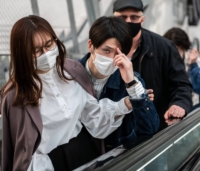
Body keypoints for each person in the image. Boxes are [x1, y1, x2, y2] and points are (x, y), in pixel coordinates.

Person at [1, 15, 142, 171]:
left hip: (86, 152)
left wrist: (125, 104)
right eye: (37, 50)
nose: (46, 53)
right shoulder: (15, 96)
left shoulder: (71, 69)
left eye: (49, 44)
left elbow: (93, 117)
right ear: (22, 54)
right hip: (51, 164)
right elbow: (19, 150)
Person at [79, 16, 160, 152]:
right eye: (106, 50)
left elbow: (150, 128)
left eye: (118, 53)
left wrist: (132, 84)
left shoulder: (129, 80)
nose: (111, 58)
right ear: (90, 46)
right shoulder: (71, 74)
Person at [113, 0, 192, 129]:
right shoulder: (105, 49)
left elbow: (181, 84)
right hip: (116, 132)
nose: (128, 21)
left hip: (156, 133)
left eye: (134, 17)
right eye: (122, 18)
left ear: (142, 20)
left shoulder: (164, 47)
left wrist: (179, 104)